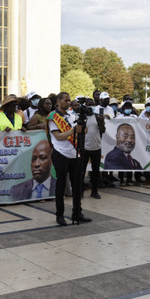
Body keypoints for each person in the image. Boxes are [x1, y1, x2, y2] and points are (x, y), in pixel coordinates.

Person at [47, 92, 90, 226]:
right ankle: (59, 215)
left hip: (74, 153)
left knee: (77, 185)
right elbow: (58, 136)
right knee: (61, 185)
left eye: (69, 100)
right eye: (65, 100)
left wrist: (83, 130)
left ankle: (77, 212)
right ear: (58, 101)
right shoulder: (53, 118)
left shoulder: (72, 116)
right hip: (60, 153)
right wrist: (73, 131)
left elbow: (78, 133)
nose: (68, 102)